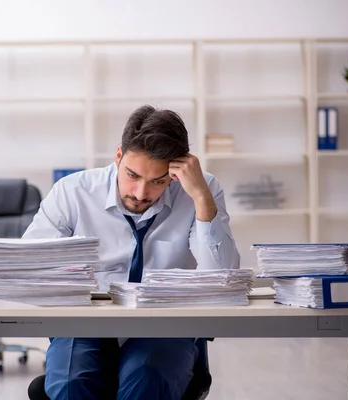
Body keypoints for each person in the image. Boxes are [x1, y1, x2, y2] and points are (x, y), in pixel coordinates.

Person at [22, 105, 240, 400]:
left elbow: (223, 278)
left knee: (146, 379)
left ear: (176, 173)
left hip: (164, 323)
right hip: (85, 322)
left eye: (158, 181)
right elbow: (27, 267)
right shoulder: (72, 192)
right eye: (132, 175)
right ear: (118, 155)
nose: (140, 193)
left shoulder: (200, 190)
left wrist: (201, 197)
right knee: (71, 384)